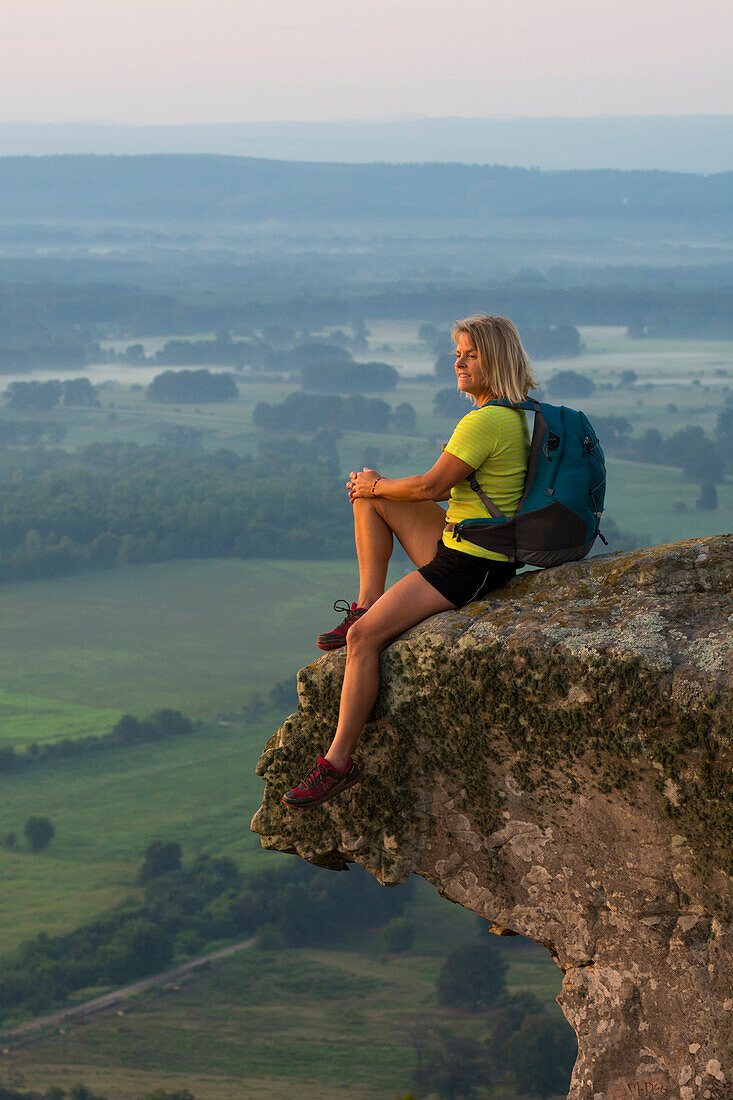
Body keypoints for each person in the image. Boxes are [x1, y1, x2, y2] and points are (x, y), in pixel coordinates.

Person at [282, 315, 537, 809]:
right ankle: (366, 601)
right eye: (457, 354)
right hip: (466, 544)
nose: (460, 363)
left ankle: (337, 764)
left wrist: (374, 486)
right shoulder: (509, 413)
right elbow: (426, 491)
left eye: (471, 355)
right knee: (369, 492)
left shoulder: (486, 421)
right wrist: (372, 487)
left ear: (496, 360)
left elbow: (430, 488)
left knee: (362, 640)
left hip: (468, 564)